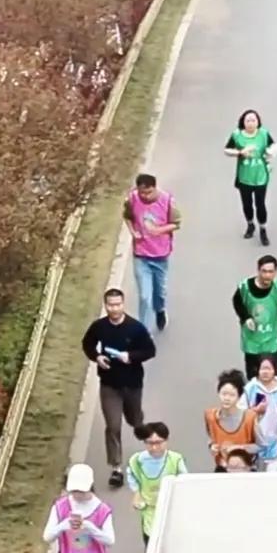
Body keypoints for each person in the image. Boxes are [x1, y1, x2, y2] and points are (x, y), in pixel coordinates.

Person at [82, 288, 157, 489]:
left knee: (134, 420)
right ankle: (116, 468)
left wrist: (130, 357)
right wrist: (96, 357)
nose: (114, 309)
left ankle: (140, 424)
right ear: (105, 305)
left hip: (132, 383)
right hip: (109, 384)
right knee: (113, 426)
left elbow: (150, 350)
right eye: (110, 305)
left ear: (123, 304)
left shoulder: (135, 328)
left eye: (118, 304)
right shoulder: (99, 327)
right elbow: (87, 344)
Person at [122, 173, 181, 333]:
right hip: (141, 254)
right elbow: (127, 217)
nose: (145, 196)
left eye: (149, 192)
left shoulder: (167, 200)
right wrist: (133, 231)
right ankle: (144, 332)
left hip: (160, 254)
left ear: (155, 188)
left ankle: (160, 310)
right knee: (144, 297)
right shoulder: (133, 199)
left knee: (159, 292)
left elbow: (176, 223)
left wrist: (158, 230)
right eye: (142, 193)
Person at [231, 254, 277, 379]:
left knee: (271, 375)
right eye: (264, 271)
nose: (267, 275)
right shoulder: (245, 286)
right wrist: (246, 318)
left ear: (275, 272)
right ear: (258, 270)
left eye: (271, 272)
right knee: (253, 376)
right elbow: (237, 302)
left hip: (271, 341)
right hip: (251, 340)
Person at [127, 422, 187, 548]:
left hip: (171, 508)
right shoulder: (137, 460)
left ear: (166, 441)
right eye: (150, 443)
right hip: (149, 509)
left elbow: (184, 482)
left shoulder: (176, 459)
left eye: (158, 442)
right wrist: (137, 494)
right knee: (151, 540)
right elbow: (132, 476)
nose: (154, 447)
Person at [224, 110, 277, 242]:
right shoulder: (237, 135)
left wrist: (270, 154)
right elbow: (227, 150)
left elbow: (272, 147)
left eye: (254, 120)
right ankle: (250, 224)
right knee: (247, 204)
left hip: (260, 176)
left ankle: (263, 229)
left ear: (258, 121)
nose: (251, 123)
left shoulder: (264, 134)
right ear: (243, 122)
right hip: (244, 177)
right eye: (248, 120)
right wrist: (240, 152)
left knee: (260, 204)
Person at [241, 355, 277, 463]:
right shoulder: (250, 388)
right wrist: (255, 411)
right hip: (256, 436)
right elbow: (240, 413)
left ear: (274, 370)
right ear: (258, 370)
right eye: (262, 368)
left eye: (268, 369)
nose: (265, 372)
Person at [205, 369, 259, 472]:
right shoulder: (210, 416)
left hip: (245, 468)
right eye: (224, 394)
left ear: (239, 396)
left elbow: (260, 446)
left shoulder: (250, 417)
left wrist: (239, 448)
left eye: (232, 395)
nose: (227, 398)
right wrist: (212, 446)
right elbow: (211, 437)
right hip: (222, 468)